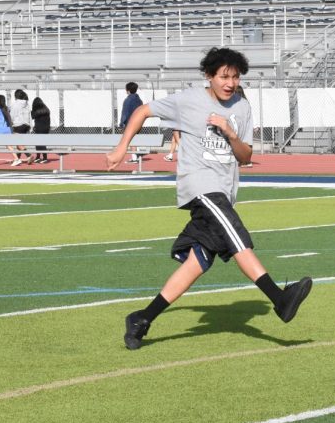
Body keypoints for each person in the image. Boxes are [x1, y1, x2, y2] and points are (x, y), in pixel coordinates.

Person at [106, 47, 312, 350]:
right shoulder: (189, 100)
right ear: (209, 76)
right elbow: (142, 111)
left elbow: (245, 156)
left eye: (235, 77)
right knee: (237, 237)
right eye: (223, 76)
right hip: (201, 187)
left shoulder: (242, 106)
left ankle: (142, 318)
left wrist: (229, 133)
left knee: (197, 262)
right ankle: (279, 298)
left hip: (224, 190)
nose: (229, 83)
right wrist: (122, 146)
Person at [120, 82, 143, 163]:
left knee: (131, 140)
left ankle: (134, 158)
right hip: (139, 122)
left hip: (130, 123)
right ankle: (138, 153)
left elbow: (125, 113)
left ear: (128, 90)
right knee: (135, 139)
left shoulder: (127, 100)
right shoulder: (139, 100)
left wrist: (122, 123)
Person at [8, 89, 32, 166]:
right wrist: (30, 126)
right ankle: (17, 159)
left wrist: (10, 123)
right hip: (26, 125)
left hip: (18, 125)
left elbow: (12, 116)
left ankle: (29, 155)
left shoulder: (15, 104)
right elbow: (29, 115)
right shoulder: (26, 104)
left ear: (16, 96)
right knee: (19, 143)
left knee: (18, 143)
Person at [30, 96, 51, 164]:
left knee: (39, 143)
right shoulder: (46, 109)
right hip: (46, 128)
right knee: (42, 143)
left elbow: (33, 116)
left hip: (39, 128)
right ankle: (41, 157)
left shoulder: (37, 110)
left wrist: (32, 110)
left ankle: (42, 157)